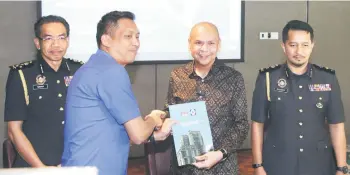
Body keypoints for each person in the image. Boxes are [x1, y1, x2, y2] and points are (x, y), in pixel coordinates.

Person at [61, 11, 175, 175]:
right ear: (106, 39)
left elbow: (107, 132)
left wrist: (154, 136)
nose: (136, 43)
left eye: (137, 37)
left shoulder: (93, 67)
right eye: (128, 36)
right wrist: (153, 119)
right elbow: (138, 135)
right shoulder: (111, 71)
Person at [251, 20, 348, 175]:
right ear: (283, 46)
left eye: (305, 45)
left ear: (312, 46)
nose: (299, 51)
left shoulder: (327, 79)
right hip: (278, 163)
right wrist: (258, 165)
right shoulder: (268, 78)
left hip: (319, 164)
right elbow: (257, 124)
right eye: (293, 45)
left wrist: (342, 167)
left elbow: (336, 126)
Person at [165, 22, 249, 174]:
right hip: (184, 168)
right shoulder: (177, 76)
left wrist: (220, 153)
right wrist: (162, 118)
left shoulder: (233, 78)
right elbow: (169, 110)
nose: (204, 49)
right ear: (189, 44)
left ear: (219, 45)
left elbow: (241, 125)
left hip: (222, 168)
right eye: (198, 43)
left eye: (211, 43)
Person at [4, 15, 83, 167]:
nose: (56, 44)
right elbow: (14, 131)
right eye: (48, 38)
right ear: (37, 43)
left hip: (74, 162)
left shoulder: (80, 71)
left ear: (68, 40)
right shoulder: (22, 74)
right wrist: (42, 169)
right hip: (34, 165)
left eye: (61, 38)